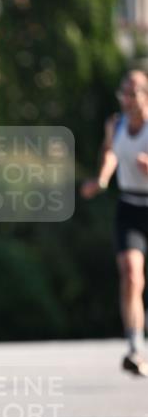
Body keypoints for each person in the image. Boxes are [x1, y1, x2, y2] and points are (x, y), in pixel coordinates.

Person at [81, 69, 148, 377]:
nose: (127, 99)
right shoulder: (116, 123)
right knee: (132, 276)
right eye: (124, 93)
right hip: (130, 207)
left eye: (133, 93)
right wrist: (103, 178)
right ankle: (135, 347)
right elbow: (110, 153)